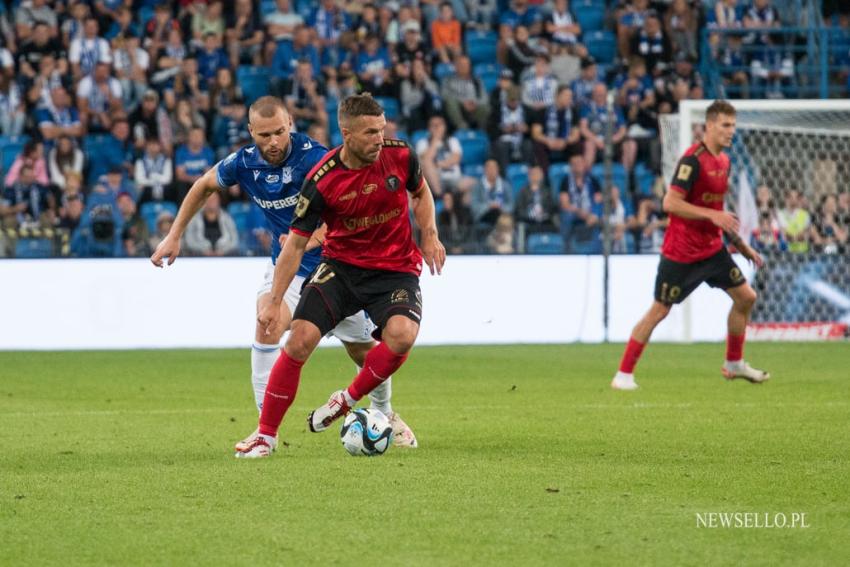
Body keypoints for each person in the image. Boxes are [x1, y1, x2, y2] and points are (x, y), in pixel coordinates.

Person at [150, 95, 419, 454]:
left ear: (290, 123)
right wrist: (174, 236)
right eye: (264, 135)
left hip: (338, 266)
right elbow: (203, 185)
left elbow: (341, 216)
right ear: (251, 132)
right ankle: (266, 429)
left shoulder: (315, 159)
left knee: (361, 349)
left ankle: (384, 412)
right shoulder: (244, 164)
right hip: (288, 269)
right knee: (268, 322)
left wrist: (308, 241)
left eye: (279, 132)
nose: (273, 142)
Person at [236, 93, 446, 458]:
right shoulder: (322, 179)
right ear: (346, 134)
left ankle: (346, 400)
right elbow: (295, 246)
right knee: (299, 338)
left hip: (395, 271)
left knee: (401, 336)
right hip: (341, 270)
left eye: (381, 130)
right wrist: (273, 302)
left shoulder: (401, 155)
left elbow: (421, 192)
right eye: (369, 133)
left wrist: (429, 234)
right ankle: (265, 436)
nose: (379, 139)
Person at [611, 100, 769, 391]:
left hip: (711, 249)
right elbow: (670, 202)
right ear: (709, 126)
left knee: (746, 298)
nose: (731, 131)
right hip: (681, 253)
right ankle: (623, 374)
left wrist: (742, 246)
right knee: (659, 310)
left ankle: (734, 362)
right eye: (725, 125)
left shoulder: (724, 161)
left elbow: (719, 214)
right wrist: (713, 215)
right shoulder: (692, 160)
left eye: (733, 125)